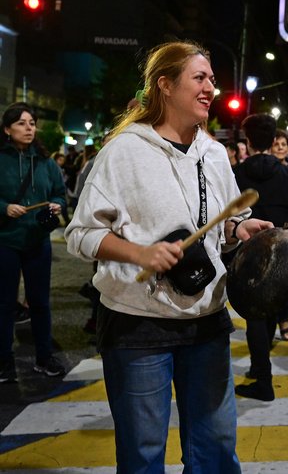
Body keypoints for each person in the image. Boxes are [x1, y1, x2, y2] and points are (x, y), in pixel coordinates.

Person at [65, 41, 272, 472]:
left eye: (212, 79)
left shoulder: (214, 154)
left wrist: (239, 229)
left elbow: (224, 225)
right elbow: (81, 233)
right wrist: (139, 253)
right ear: (165, 85)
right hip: (137, 324)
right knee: (143, 453)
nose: (210, 88)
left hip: (206, 321)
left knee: (215, 446)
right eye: (200, 78)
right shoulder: (123, 151)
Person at [232, 114, 288, 401]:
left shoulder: (236, 174)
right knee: (270, 311)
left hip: (246, 252)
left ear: (248, 140)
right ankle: (259, 368)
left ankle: (262, 377)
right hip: (283, 254)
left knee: (253, 315)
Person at [0, 102, 68, 383]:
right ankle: (4, 362)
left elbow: (60, 194)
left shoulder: (45, 161)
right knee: (4, 304)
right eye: (21, 123)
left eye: (31, 123)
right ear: (7, 129)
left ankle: (44, 357)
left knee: (40, 302)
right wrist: (3, 208)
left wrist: (56, 205)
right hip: (6, 240)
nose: (29, 128)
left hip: (38, 240)